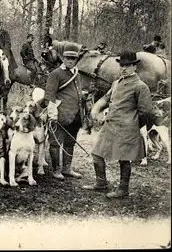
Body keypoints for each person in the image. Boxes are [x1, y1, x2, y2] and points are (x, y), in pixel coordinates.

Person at [83, 51, 157, 198]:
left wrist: (135, 124)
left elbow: (147, 112)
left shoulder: (141, 86)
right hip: (110, 126)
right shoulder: (116, 83)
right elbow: (106, 97)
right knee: (97, 154)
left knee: (124, 159)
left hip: (127, 128)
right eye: (122, 65)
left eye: (128, 65)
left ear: (135, 67)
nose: (124, 68)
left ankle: (123, 190)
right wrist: (95, 109)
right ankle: (101, 183)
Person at [45, 43, 85, 180]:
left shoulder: (77, 74)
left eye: (73, 59)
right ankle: (56, 170)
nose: (70, 61)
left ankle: (67, 168)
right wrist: (52, 115)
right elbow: (49, 96)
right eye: (67, 58)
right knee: (55, 143)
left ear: (76, 60)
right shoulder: (55, 74)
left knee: (70, 142)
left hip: (74, 116)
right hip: (59, 115)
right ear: (63, 58)